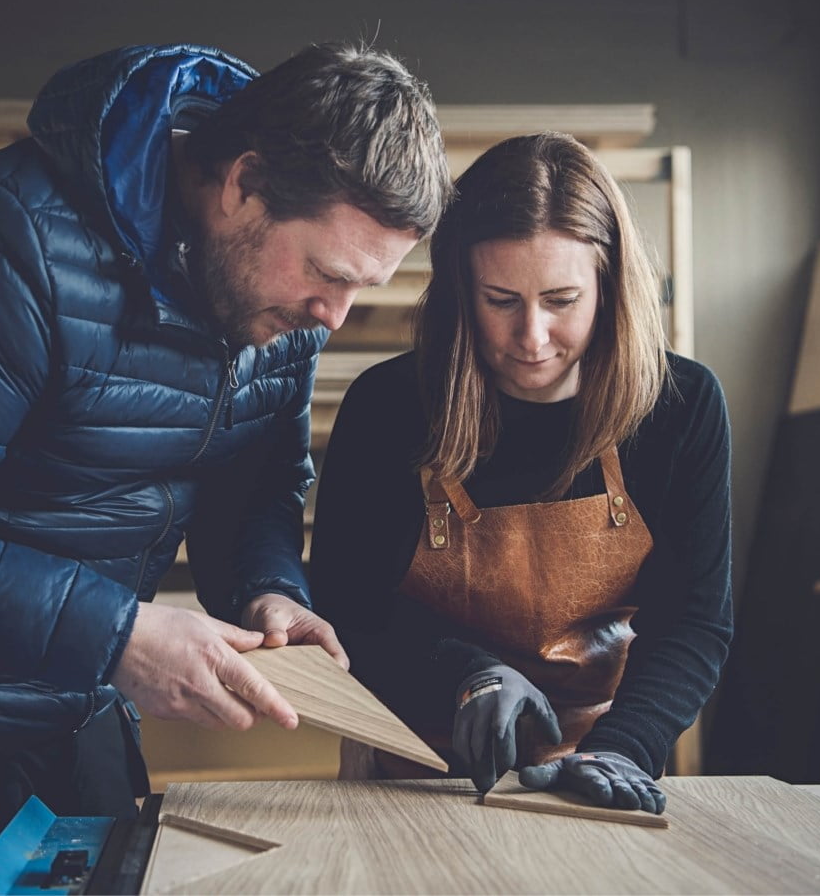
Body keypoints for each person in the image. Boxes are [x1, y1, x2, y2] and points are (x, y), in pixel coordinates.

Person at [0, 41, 451, 893]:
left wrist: (269, 592)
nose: (331, 319)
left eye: (360, 290)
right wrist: (116, 634)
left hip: (74, 702)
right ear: (243, 183)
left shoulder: (281, 308)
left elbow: (255, 489)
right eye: (329, 274)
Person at [311, 132, 733, 814]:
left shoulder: (680, 409)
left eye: (562, 300)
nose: (532, 337)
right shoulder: (387, 408)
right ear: (459, 290)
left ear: (608, 285)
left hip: (593, 762)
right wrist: (466, 672)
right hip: (411, 764)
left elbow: (694, 620)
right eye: (501, 300)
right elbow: (345, 610)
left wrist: (623, 747)